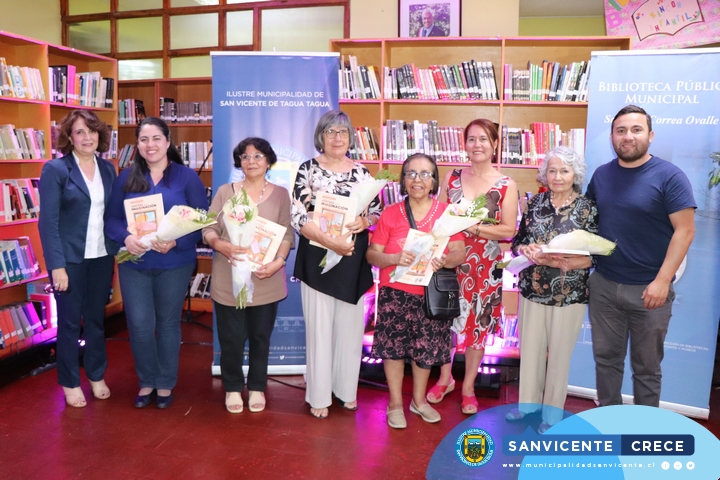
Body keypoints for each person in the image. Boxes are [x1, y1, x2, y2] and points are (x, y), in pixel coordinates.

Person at [586, 105, 696, 407]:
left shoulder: (670, 176)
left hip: (650, 291)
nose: (628, 136)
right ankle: (609, 424)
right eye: (621, 130)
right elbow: (590, 227)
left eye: (636, 130)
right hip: (605, 287)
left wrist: (662, 281)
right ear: (612, 136)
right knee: (606, 362)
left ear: (650, 135)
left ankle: (643, 433)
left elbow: (685, 231)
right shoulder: (601, 175)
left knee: (646, 369)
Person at [105, 116, 208, 409]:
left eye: (156, 139)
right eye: (143, 140)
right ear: (137, 145)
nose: (150, 145)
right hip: (134, 262)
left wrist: (177, 241)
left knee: (167, 323)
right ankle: (146, 380)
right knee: (138, 325)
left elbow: (201, 222)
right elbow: (111, 219)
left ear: (168, 141)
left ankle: (165, 383)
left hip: (174, 262)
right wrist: (125, 238)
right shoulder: (125, 177)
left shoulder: (187, 177)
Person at [291, 110, 381, 419]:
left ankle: (345, 390)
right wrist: (331, 243)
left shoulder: (363, 174)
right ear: (321, 136)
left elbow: (377, 213)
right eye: (331, 132)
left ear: (350, 136)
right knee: (319, 330)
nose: (337, 137)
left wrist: (364, 220)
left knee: (350, 329)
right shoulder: (308, 169)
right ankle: (318, 395)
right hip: (317, 257)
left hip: (352, 259)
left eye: (342, 132)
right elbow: (298, 215)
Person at [367, 153, 466, 429]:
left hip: (430, 294)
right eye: (411, 173)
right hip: (394, 292)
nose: (417, 179)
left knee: (425, 352)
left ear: (434, 180)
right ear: (403, 180)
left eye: (424, 174)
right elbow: (372, 255)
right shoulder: (390, 213)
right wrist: (393, 259)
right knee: (394, 351)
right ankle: (396, 403)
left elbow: (459, 251)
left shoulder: (447, 213)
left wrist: (446, 260)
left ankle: (419, 401)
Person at [428, 118, 518, 414]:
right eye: (471, 139)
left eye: (483, 139)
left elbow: (508, 231)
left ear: (494, 145)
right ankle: (445, 378)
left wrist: (472, 227)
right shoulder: (452, 178)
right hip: (450, 263)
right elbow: (437, 218)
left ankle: (468, 386)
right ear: (464, 144)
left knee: (478, 327)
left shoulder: (507, 184)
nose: (476, 145)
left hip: (486, 266)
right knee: (445, 323)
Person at [507, 146, 597, 433]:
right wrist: (526, 248)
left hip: (568, 294)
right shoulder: (534, 203)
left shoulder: (587, 207)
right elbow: (517, 241)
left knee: (559, 356)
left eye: (564, 170)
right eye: (552, 170)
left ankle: (552, 417)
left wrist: (571, 261)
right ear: (544, 174)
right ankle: (527, 407)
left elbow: (596, 254)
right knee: (530, 351)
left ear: (576, 174)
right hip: (532, 289)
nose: (557, 176)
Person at [203, 137, 294, 414]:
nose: (251, 162)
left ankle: (256, 387)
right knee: (230, 339)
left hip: (266, 279)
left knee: (259, 338)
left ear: (268, 161)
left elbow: (287, 233)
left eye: (257, 156)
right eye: (245, 157)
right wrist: (220, 244)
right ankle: (232, 388)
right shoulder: (224, 191)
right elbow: (208, 228)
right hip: (227, 278)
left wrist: (278, 262)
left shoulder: (280, 194)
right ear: (238, 161)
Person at [38, 110, 118, 408]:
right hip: (69, 260)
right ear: (69, 138)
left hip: (101, 257)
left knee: (96, 320)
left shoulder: (108, 169)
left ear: (100, 135)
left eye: (93, 132)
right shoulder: (56, 170)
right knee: (70, 324)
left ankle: (96, 375)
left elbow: (112, 213)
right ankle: (70, 381)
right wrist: (56, 265)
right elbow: (48, 223)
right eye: (80, 132)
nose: (88, 138)